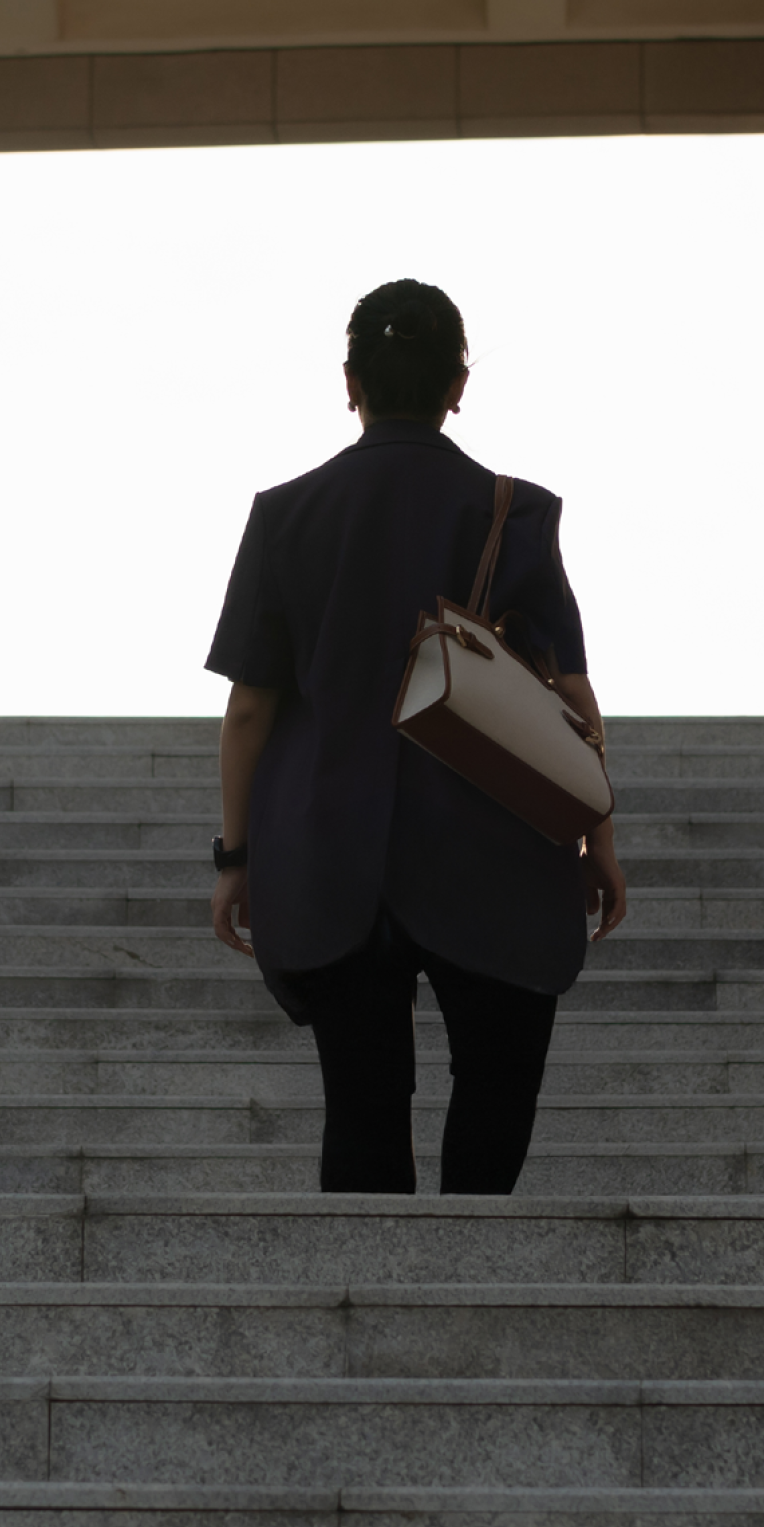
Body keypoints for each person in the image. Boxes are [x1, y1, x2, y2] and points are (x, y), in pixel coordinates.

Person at [204, 277, 625, 1195]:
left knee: (361, 1107)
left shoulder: (285, 515)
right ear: (457, 386)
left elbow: (249, 711)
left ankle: (375, 1276)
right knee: (496, 1087)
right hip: (493, 846)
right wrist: (597, 837)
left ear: (350, 382)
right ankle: (471, 1258)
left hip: (331, 851)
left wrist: (235, 858)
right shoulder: (516, 511)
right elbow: (569, 692)